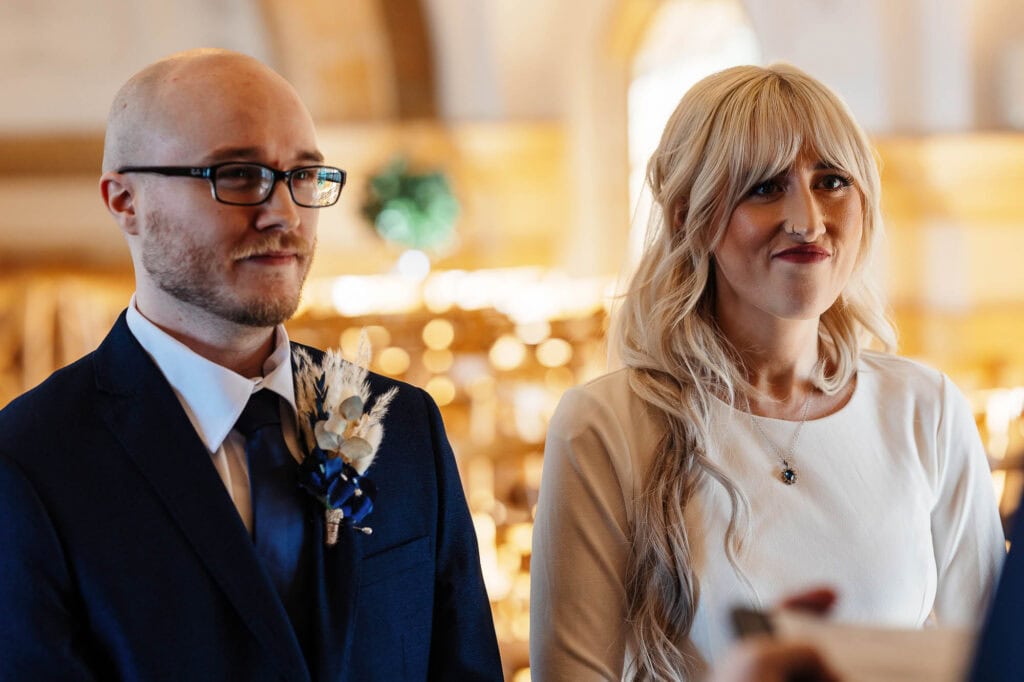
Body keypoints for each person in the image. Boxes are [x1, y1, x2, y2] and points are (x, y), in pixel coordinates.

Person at [0, 49, 502, 681]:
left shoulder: (405, 428)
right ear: (125, 200)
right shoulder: (28, 464)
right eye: (238, 175)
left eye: (303, 176)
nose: (284, 214)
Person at [530, 63, 1004, 680]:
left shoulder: (925, 408)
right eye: (763, 187)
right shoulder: (606, 424)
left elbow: (999, 659)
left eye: (831, 181)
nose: (808, 221)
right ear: (688, 217)